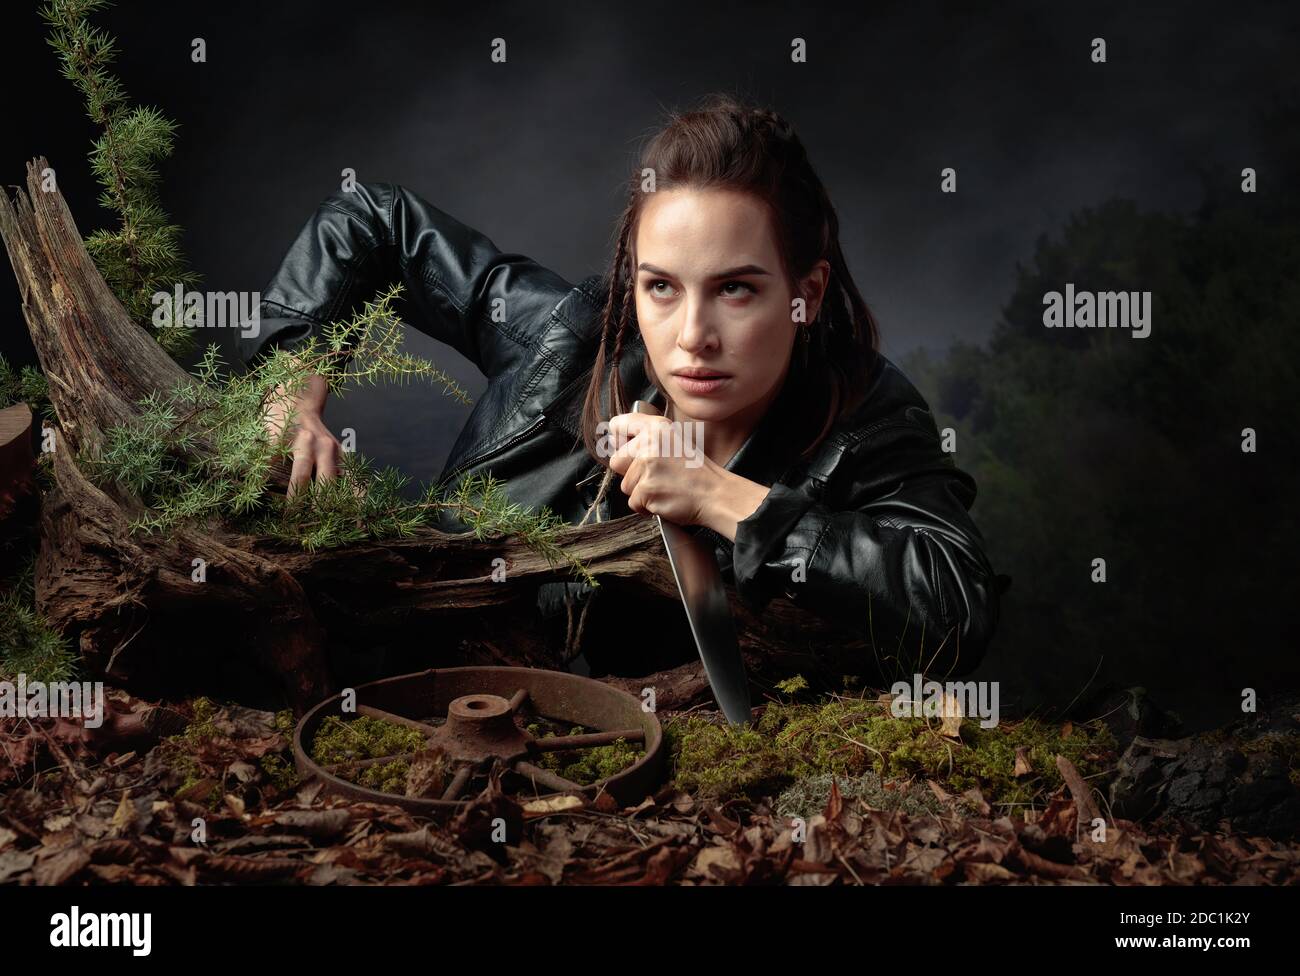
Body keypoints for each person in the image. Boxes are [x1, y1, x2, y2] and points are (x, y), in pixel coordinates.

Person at [240, 93, 1003, 680]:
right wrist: (290, 391)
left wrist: (723, 498)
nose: (692, 334)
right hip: (404, 707)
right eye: (662, 287)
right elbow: (372, 221)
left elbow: (956, 610)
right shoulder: (572, 341)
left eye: (736, 290)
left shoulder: (863, 415)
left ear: (805, 292)